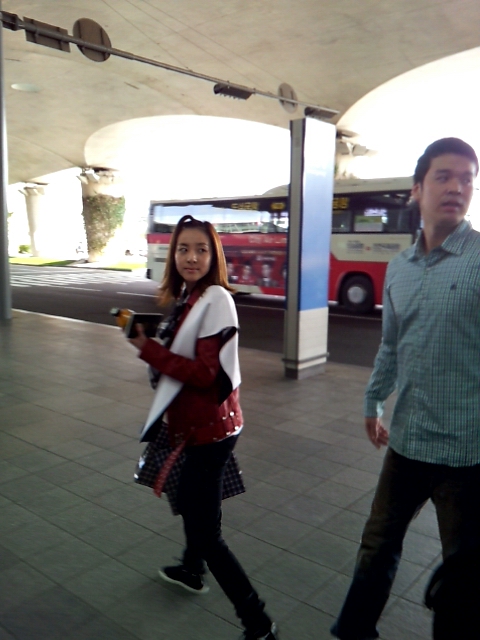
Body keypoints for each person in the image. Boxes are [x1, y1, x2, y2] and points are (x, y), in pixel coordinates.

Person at [330, 137, 480, 640]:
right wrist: (373, 401)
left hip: (468, 453)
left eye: (467, 179)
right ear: (417, 189)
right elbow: (391, 346)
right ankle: (354, 631)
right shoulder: (399, 268)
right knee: (376, 546)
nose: (457, 187)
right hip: (408, 442)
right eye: (444, 176)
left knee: (461, 576)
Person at [127, 215, 278, 640]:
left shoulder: (215, 299)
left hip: (209, 431)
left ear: (215, 256)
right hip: (199, 425)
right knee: (196, 504)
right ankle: (192, 569)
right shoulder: (191, 297)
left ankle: (258, 623)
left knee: (206, 532)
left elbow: (205, 374)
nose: (191, 257)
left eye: (201, 249)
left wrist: (147, 349)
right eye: (183, 249)